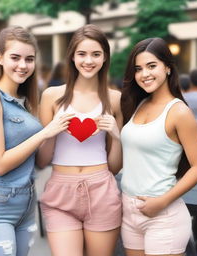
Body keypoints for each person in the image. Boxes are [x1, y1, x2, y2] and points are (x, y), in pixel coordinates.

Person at [0, 26, 73, 256]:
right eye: (15, 57)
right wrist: (44, 133)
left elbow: (41, 162)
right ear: (0, 57)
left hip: (26, 204)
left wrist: (56, 129)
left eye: (29, 59)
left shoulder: (26, 102)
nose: (23, 65)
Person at [39, 24, 123, 256]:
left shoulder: (115, 99)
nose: (89, 60)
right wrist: (51, 131)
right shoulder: (51, 96)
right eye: (82, 54)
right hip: (60, 190)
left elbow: (115, 167)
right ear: (72, 57)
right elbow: (42, 161)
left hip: (102, 190)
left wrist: (116, 137)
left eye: (96, 54)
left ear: (105, 58)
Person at [120, 37, 197, 256]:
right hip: (129, 212)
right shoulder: (138, 104)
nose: (144, 74)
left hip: (163, 215)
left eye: (152, 66)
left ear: (167, 67)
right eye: (138, 69)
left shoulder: (178, 112)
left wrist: (162, 202)